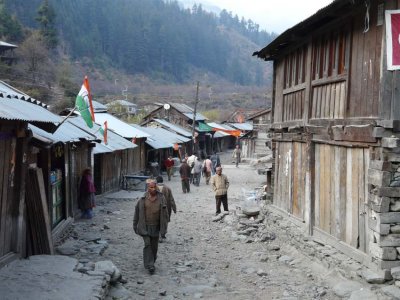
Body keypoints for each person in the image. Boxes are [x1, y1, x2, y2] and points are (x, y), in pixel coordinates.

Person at [133, 180, 169, 274]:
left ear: (156, 187)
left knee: (154, 247)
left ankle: (152, 260)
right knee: (147, 245)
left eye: (153, 187)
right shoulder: (142, 199)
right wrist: (135, 224)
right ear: (148, 188)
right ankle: (150, 265)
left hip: (156, 227)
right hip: (145, 226)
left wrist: (164, 227)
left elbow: (165, 214)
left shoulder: (161, 198)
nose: (152, 189)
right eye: (150, 187)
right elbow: (137, 212)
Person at [156, 176, 176, 241]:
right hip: (166, 208)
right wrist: (174, 208)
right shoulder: (168, 188)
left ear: (157, 181)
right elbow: (171, 199)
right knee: (165, 221)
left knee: (156, 220)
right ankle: (163, 234)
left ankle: (157, 234)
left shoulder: (153, 188)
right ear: (162, 181)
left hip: (155, 208)